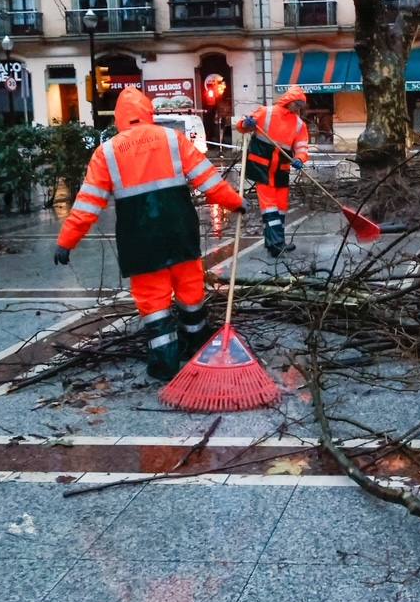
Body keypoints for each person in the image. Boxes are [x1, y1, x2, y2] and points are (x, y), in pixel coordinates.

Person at [53, 88, 245, 381]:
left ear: (119, 118)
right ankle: (198, 348)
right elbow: (209, 180)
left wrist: (66, 242)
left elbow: (87, 204)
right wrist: (235, 202)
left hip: (140, 240)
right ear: (147, 112)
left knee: (154, 303)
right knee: (190, 291)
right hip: (180, 232)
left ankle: (165, 363)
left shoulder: (106, 153)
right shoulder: (172, 139)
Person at [237, 87, 311, 258]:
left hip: (281, 169)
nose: (297, 108)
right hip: (262, 168)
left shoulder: (299, 124)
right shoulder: (266, 112)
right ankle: (275, 245)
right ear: (288, 101)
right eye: (296, 104)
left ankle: (277, 242)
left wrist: (300, 158)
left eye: (300, 105)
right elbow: (242, 126)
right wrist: (246, 124)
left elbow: (302, 145)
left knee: (282, 207)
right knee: (270, 208)